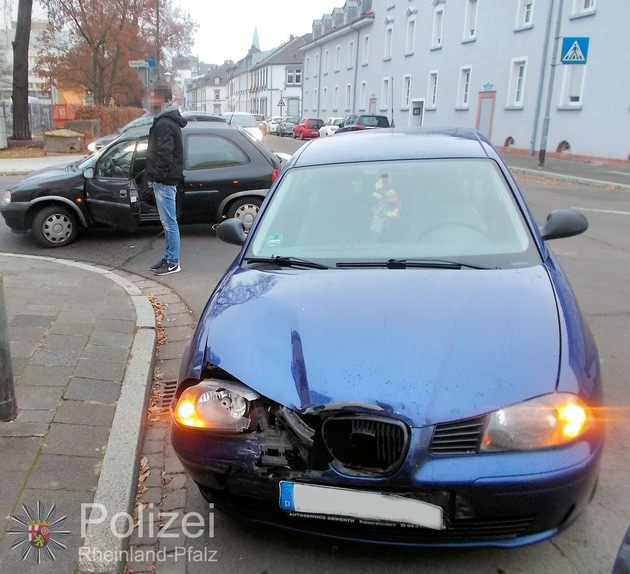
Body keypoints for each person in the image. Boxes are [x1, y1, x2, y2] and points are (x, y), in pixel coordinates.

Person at [145, 94, 188, 275]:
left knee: (169, 222)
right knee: (168, 222)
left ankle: (173, 262)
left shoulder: (164, 124)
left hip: (164, 180)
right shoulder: (169, 122)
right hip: (167, 179)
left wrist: (157, 177)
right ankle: (168, 257)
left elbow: (165, 154)